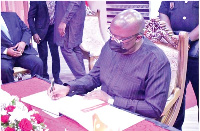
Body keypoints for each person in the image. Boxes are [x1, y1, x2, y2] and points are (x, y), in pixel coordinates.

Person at [48, 9, 171, 119]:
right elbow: (93, 77)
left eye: (119, 39)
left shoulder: (156, 61)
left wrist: (111, 100)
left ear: (138, 38)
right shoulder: (111, 45)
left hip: (130, 118)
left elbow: (154, 108)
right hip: (102, 110)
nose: (113, 41)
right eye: (111, 35)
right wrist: (68, 88)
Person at [159, 1, 199, 130]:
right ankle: (175, 128)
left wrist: (186, 40)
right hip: (175, 51)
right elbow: (163, 16)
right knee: (176, 94)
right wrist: (173, 41)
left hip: (197, 50)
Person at [1, 12, 43, 84]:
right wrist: (6, 51)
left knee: (38, 63)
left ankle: (36, 89)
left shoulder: (12, 15)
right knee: (4, 68)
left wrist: (23, 43)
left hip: (22, 53)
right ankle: (11, 92)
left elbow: (26, 30)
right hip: (4, 57)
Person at [28, 1, 63, 84]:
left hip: (53, 29)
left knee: (55, 53)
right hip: (40, 31)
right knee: (43, 55)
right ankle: (44, 77)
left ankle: (56, 77)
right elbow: (30, 18)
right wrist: (34, 33)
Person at [54, 1, 86, 79]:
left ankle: (83, 79)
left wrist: (64, 21)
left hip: (71, 21)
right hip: (72, 18)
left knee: (66, 48)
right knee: (75, 48)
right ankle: (84, 79)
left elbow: (75, 2)